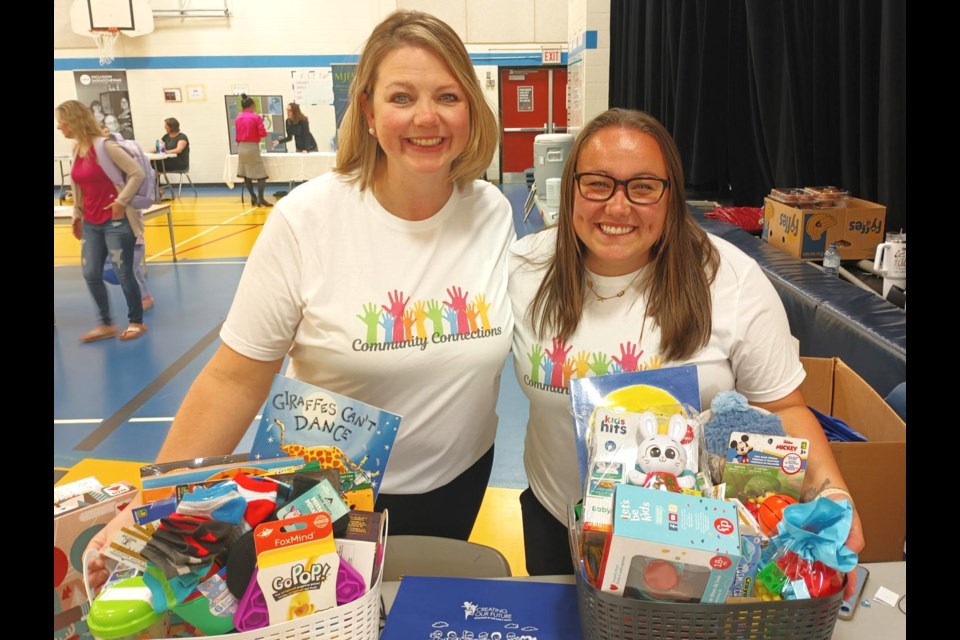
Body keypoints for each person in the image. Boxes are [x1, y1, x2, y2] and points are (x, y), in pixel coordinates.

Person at [84, 9, 515, 590]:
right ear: (367, 110)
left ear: (471, 108)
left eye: (447, 96)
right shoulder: (307, 219)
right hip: (333, 490)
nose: (426, 117)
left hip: (460, 479)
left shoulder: (491, 212)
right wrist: (151, 501)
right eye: (401, 97)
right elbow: (234, 379)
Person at [508, 108, 864, 591]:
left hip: (693, 539)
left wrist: (835, 496)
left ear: (671, 195)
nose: (617, 207)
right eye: (597, 183)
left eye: (643, 187)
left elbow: (782, 405)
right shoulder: (526, 270)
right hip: (559, 519)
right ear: (570, 187)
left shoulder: (731, 281)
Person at [56, 99, 148, 342]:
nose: (58, 127)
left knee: (123, 272)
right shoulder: (77, 150)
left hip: (115, 222)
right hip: (91, 223)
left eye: (61, 122)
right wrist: (77, 214)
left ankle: (136, 322)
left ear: (73, 122)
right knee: (91, 273)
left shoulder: (105, 147)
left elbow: (137, 173)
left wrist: (121, 201)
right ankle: (106, 324)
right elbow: (78, 187)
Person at [234, 93, 270, 207]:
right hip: (252, 147)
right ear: (252, 105)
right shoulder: (256, 117)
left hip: (241, 147)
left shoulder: (238, 118)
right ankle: (261, 198)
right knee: (261, 175)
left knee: (246, 174)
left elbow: (237, 134)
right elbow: (262, 133)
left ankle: (253, 197)